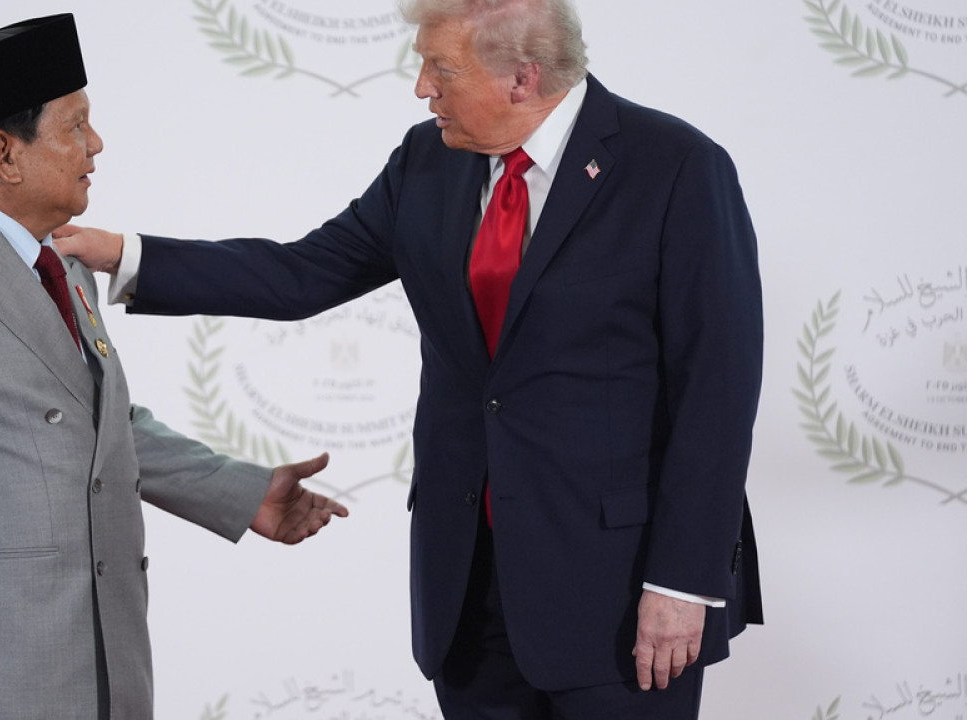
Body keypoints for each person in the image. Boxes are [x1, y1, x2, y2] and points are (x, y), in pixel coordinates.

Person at [56, 0, 764, 717]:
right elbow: (301, 273)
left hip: (620, 591)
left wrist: (683, 582)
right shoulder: (429, 159)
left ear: (522, 78)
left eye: (440, 69)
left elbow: (719, 392)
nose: (422, 88)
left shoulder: (675, 167)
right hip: (467, 588)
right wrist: (124, 254)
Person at [0, 14, 347, 720]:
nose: (97, 144)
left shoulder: (60, 261)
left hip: (83, 661)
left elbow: (102, 424)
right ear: (5, 152)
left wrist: (240, 493)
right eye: (76, 126)